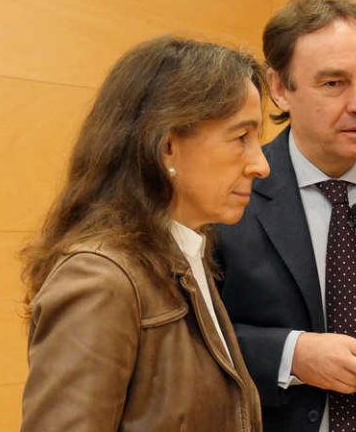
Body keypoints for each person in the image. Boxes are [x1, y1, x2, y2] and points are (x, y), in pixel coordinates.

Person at [214, 0, 356, 432]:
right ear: (280, 90)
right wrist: (291, 355)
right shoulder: (229, 195)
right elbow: (193, 334)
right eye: (334, 83)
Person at [20, 36, 270, 431]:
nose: (261, 165)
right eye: (241, 138)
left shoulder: (189, 253)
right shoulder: (100, 279)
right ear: (167, 145)